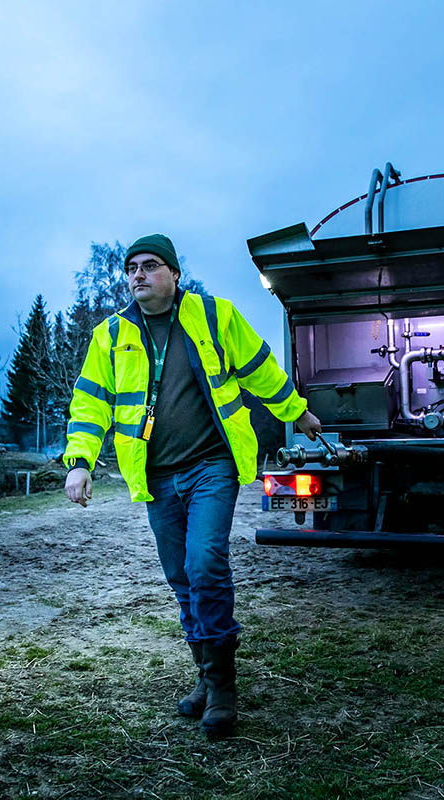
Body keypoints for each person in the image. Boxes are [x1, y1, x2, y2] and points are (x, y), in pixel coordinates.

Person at [63, 233, 322, 738]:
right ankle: (205, 675)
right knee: (182, 578)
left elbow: (260, 370)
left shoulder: (214, 315)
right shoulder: (110, 336)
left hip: (211, 466)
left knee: (205, 563)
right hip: (157, 476)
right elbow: (91, 403)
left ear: (175, 273)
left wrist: (298, 412)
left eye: (151, 265)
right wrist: (80, 461)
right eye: (132, 267)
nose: (139, 274)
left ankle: (224, 687)